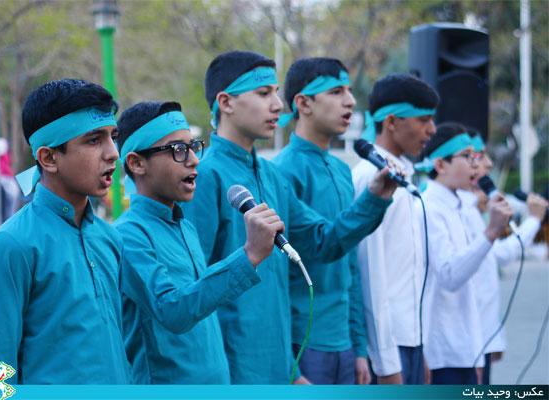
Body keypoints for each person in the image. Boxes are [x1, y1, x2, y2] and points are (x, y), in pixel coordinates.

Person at [182, 50, 397, 384]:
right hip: (231, 370)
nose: (278, 105)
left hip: (280, 365)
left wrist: (375, 197)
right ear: (225, 102)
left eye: (276, 93)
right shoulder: (206, 176)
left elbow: (323, 242)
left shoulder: (272, 176)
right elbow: (193, 291)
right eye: (263, 93)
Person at [114, 101, 284, 384]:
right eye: (178, 150)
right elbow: (173, 311)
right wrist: (249, 254)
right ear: (137, 163)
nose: (193, 159)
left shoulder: (185, 226)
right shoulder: (128, 235)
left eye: (193, 147)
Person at [0, 79, 131, 384]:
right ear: (48, 158)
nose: (113, 153)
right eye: (94, 140)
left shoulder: (110, 238)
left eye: (113, 137)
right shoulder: (12, 245)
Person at [272, 57, 396, 385]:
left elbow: (350, 264)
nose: (351, 101)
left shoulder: (342, 171)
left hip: (344, 343)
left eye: (350, 91)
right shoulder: (282, 171)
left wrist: (358, 347)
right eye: (336, 92)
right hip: (304, 340)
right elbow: (276, 279)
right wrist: (289, 365)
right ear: (303, 103)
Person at [352, 73, 439, 384]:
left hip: (409, 341)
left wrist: (420, 347)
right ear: (391, 122)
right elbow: (370, 276)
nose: (432, 130)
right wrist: (386, 363)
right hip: (387, 350)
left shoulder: (405, 177)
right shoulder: (370, 178)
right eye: (424, 120)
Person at [416, 122, 512, 385]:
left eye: (476, 157)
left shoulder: (459, 206)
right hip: (441, 351)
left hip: (466, 347)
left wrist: (476, 349)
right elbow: (449, 275)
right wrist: (490, 233)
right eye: (468, 157)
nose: (476, 165)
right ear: (440, 165)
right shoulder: (429, 208)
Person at [460, 130, 548, 384]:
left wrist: (494, 335)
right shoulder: (458, 208)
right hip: (464, 343)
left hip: (480, 338)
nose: (487, 164)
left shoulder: (471, 206)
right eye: (478, 156)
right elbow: (501, 254)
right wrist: (533, 220)